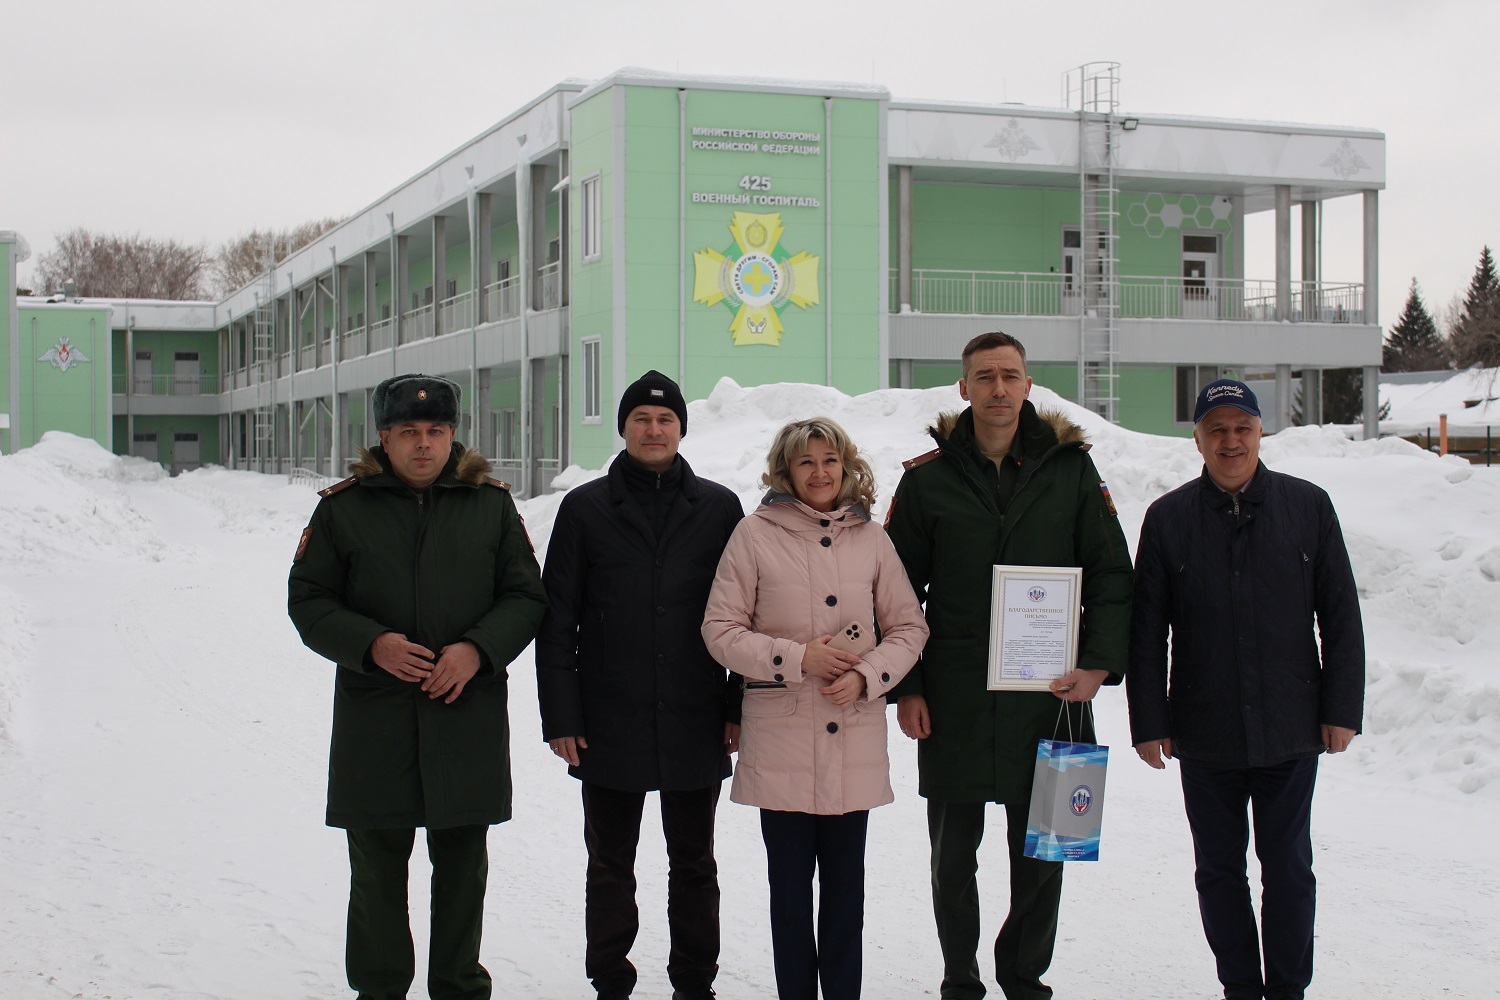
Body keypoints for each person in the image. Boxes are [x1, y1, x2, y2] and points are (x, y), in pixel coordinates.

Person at [883, 331, 1133, 1000]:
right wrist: (909, 687)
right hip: (954, 699)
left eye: (1010, 375)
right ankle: (961, 981)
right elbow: (894, 592)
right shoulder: (927, 479)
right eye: (985, 376)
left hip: (1052, 698)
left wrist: (1099, 664)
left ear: (1028, 385)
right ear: (964, 387)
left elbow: (1111, 572)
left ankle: (1024, 980)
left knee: (1049, 851)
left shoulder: (1071, 472)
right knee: (952, 858)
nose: (998, 388)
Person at [287, 372, 547, 1000]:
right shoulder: (343, 509)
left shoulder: (490, 506)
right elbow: (309, 600)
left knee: (462, 868)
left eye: (435, 430)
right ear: (384, 438)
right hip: (376, 720)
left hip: (464, 713)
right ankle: (379, 988)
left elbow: (526, 596)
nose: (423, 443)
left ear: (453, 435)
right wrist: (371, 643)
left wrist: (477, 650)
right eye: (408, 431)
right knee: (377, 870)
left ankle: (458, 985)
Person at [1126, 378, 1364, 1000]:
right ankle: (1239, 987)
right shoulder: (1169, 518)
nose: (1230, 441)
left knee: (1288, 869)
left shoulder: (1308, 507)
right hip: (1206, 732)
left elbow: (1341, 617)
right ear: (1197, 439)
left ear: (1261, 432)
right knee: (1218, 871)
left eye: (1242, 429)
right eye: (1217, 430)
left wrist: (1341, 708)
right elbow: (1146, 632)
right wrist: (1150, 721)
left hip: (1291, 726)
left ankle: (1287, 989)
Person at [702, 418, 929, 1000]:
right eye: (806, 461)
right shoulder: (754, 534)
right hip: (782, 744)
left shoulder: (872, 538)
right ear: (786, 470)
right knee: (790, 897)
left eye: (830, 460)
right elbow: (720, 630)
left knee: (847, 897)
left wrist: (867, 676)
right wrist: (796, 657)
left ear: (846, 466)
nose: (820, 472)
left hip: (852, 739)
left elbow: (908, 627)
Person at [536, 370, 744, 1000]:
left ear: (681, 429)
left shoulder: (719, 508)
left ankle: (694, 982)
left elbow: (746, 615)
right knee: (609, 863)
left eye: (665, 420)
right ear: (624, 428)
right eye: (641, 420)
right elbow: (557, 620)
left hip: (695, 713)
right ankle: (610, 978)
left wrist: (737, 706)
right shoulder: (584, 509)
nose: (654, 430)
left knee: (695, 862)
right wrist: (562, 717)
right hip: (608, 719)